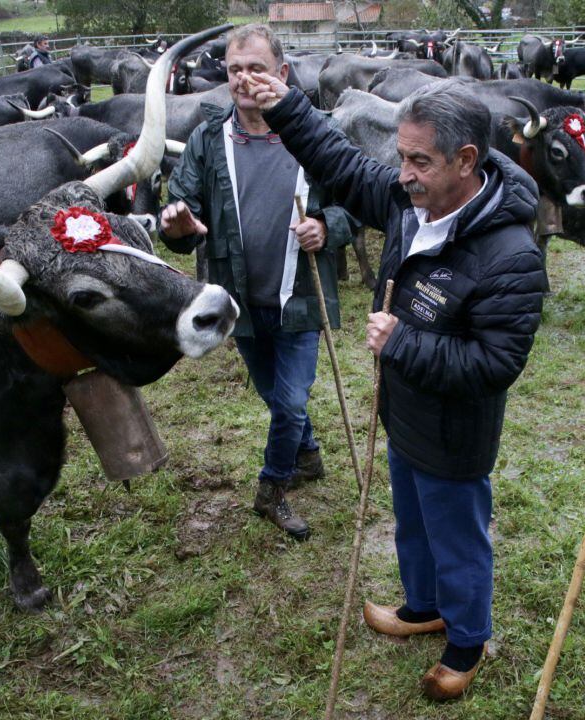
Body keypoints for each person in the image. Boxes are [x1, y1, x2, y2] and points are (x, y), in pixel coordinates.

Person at [248, 75, 546, 698]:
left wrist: (402, 342)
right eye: (401, 158)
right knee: (412, 521)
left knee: (457, 536)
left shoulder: (510, 254)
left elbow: (496, 363)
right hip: (404, 413)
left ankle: (466, 640)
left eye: (419, 161)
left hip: (454, 434)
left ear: (467, 161)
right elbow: (342, 162)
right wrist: (286, 106)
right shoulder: (411, 200)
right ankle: (424, 605)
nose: (402, 174)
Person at [159, 24, 357, 541]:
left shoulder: (316, 135)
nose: (244, 80)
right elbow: (182, 214)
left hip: (301, 297)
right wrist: (177, 224)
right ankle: (307, 454)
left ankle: (271, 490)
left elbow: (358, 202)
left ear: (283, 73)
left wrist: (327, 226)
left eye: (257, 68)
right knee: (276, 397)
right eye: (234, 70)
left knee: (289, 401)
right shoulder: (207, 140)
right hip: (237, 301)